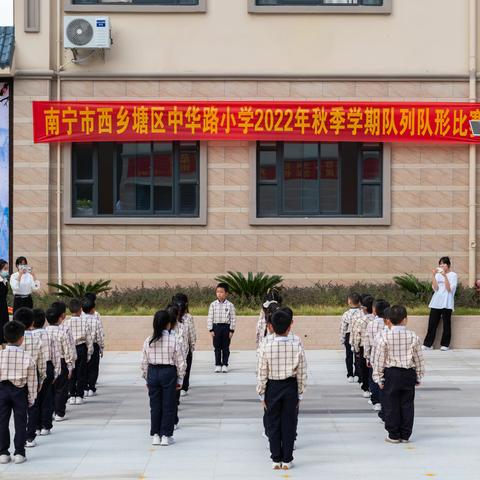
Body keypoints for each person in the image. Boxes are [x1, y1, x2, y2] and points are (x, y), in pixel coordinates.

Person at [257, 308, 307, 471]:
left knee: (273, 422)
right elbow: (302, 371)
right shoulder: (296, 344)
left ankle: (275, 458)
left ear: (271, 326)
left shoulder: (266, 344)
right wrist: (300, 392)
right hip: (290, 386)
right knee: (289, 422)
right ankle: (287, 459)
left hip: (272, 386)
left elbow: (262, 370)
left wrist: (261, 392)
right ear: (289, 327)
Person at [373, 305, 425, 444]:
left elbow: (379, 359)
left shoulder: (384, 337)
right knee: (407, 404)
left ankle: (393, 434)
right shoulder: (413, 336)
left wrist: (378, 378)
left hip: (391, 373)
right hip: (408, 373)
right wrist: (419, 375)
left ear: (388, 320)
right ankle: (405, 434)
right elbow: (418, 358)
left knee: (391, 404)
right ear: (405, 320)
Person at [141, 310, 186, 447]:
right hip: (168, 373)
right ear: (168, 324)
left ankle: (155, 435)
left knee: (155, 405)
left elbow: (143, 362)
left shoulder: (148, 340)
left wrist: (146, 377)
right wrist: (180, 379)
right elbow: (181, 362)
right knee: (169, 404)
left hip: (153, 372)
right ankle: (166, 435)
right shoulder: (174, 340)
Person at [0, 321, 38, 464]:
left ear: (5, 336)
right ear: (22, 338)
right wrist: (32, 397)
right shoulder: (28, 358)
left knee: (2, 421)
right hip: (19, 391)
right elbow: (33, 381)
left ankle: (3, 452)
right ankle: (19, 453)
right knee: (20, 421)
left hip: (2, 390)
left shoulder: (0, 355)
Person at [13, 308, 47, 448]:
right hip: (32, 376)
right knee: (32, 405)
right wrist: (42, 377)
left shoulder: (13, 338)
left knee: (19, 409)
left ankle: (20, 437)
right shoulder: (36, 339)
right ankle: (30, 437)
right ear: (32, 322)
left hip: (15, 378)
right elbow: (41, 361)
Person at [31, 308, 61, 436]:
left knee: (34, 398)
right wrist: (56, 372)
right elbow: (56, 355)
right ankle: (45, 426)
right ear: (44, 322)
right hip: (48, 366)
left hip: (33, 368)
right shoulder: (49, 335)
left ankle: (36, 426)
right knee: (47, 398)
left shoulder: (29, 336)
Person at [45, 306, 75, 422]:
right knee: (61, 388)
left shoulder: (45, 332)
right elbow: (68, 350)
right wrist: (70, 365)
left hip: (49, 362)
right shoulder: (63, 333)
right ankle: (59, 413)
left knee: (50, 388)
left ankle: (51, 410)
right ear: (60, 318)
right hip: (62, 361)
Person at [423, 256, 458, 351]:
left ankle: (445, 344)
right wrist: (434, 276)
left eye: (443, 264)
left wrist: (445, 276)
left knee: (446, 324)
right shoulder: (438, 275)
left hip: (447, 302)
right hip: (436, 302)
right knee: (432, 324)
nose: (441, 266)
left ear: (448, 265)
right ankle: (428, 344)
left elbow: (449, 289)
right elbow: (435, 288)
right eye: (440, 264)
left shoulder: (453, 275)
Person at [65, 299, 93, 405]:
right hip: (81, 348)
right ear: (81, 309)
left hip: (71, 348)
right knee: (82, 373)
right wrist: (90, 352)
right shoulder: (84, 322)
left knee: (71, 372)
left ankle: (72, 394)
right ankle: (79, 395)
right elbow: (88, 338)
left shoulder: (66, 323)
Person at [364, 299, 390, 412]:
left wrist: (367, 356)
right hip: (388, 358)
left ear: (374, 310)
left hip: (374, 356)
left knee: (374, 378)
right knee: (385, 379)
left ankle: (376, 401)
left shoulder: (371, 324)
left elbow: (367, 341)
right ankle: (385, 400)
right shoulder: (390, 324)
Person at [207, 283, 236, 373]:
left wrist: (231, 330)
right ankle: (218, 364)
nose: (219, 294)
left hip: (226, 328)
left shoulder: (230, 305)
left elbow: (233, 318)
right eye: (217, 292)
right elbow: (210, 318)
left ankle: (225, 364)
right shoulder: (213, 305)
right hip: (216, 327)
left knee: (226, 347)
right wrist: (211, 329)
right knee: (217, 347)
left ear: (226, 293)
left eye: (221, 292)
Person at [172, 293, 196, 397]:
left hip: (173, 350)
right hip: (185, 349)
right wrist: (192, 346)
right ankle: (184, 386)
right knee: (185, 367)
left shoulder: (169, 314)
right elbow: (192, 333)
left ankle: (178, 387)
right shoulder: (188, 317)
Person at [351, 294, 374, 397]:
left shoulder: (360, 320)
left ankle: (366, 389)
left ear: (364, 308)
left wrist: (355, 348)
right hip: (375, 347)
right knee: (373, 369)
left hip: (363, 346)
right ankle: (373, 388)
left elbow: (357, 335)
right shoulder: (377, 320)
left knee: (364, 369)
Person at [82, 297, 105, 396]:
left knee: (84, 367)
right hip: (94, 345)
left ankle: (84, 387)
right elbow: (100, 336)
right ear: (93, 309)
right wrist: (101, 347)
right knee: (93, 367)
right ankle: (91, 388)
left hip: (83, 345)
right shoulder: (96, 321)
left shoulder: (80, 320)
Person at [339, 292, 362, 383]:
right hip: (358, 335)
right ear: (359, 302)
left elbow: (343, 328)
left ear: (349, 301)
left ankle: (350, 374)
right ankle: (357, 373)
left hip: (348, 335)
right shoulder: (361, 313)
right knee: (358, 355)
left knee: (349, 355)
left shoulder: (346, 314)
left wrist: (342, 338)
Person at [0, 259, 9, 347]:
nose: (6, 271)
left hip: (3, 305)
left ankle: (4, 345)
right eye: (5, 269)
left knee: (4, 324)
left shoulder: (5, 280)